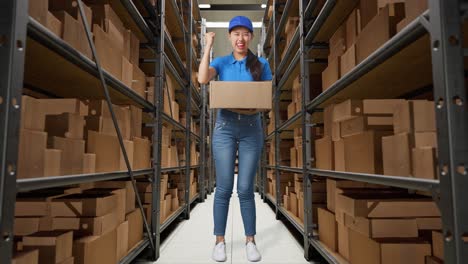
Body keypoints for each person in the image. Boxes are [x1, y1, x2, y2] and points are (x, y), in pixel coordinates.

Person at [198, 16, 272, 262]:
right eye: (236, 34)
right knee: (224, 187)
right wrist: (208, 46)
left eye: (245, 34)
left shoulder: (261, 64)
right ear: (230, 37)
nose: (241, 38)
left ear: (250, 37)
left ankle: (250, 240)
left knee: (245, 189)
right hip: (225, 127)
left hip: (252, 127)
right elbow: (201, 79)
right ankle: (219, 241)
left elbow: (265, 97)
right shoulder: (221, 62)